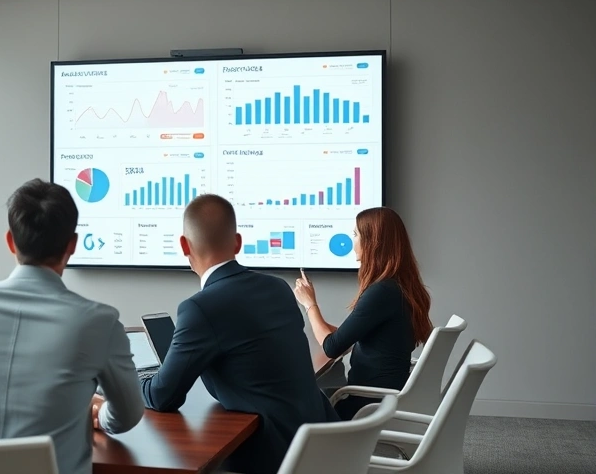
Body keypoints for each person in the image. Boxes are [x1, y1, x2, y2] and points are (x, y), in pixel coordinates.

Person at [0, 179, 143, 474]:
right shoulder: (99, 321)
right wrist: (95, 411)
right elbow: (128, 416)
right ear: (72, 244)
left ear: (10, 242)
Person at [131, 194, 337, 474]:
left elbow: (162, 397)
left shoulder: (199, 308)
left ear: (183, 245)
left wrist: (124, 381)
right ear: (238, 242)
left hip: (270, 458)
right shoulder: (278, 289)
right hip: (320, 448)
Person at [293, 206, 433, 420]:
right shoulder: (399, 286)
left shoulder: (382, 292)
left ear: (373, 242)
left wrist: (309, 304)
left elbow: (332, 347)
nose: (353, 241)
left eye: (356, 235)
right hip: (383, 395)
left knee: (296, 404)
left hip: (366, 403)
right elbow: (351, 336)